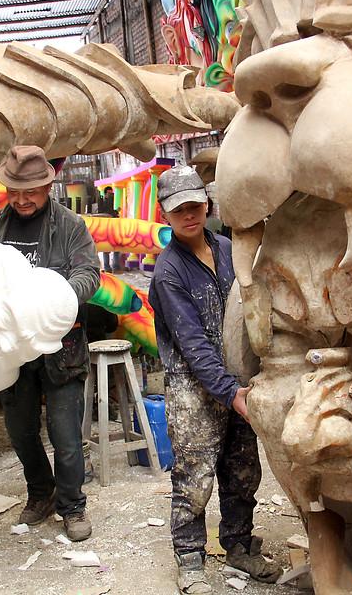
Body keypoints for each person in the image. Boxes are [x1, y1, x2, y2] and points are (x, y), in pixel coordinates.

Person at [148, 166, 282, 594]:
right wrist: (230, 392)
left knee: (242, 471)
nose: (189, 215)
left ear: (207, 204)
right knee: (195, 476)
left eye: (195, 206)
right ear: (165, 214)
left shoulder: (228, 249)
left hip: (239, 380)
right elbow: (193, 346)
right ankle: (190, 558)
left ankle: (239, 545)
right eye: (179, 210)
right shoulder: (169, 272)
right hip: (194, 386)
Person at [0, 145, 100, 542]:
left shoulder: (70, 226)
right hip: (12, 351)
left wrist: (55, 299)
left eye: (30, 191)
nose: (22, 199)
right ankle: (40, 492)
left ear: (48, 186)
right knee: (20, 430)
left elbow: (89, 274)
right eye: (14, 191)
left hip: (60, 348)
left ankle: (72, 505)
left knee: (66, 436)